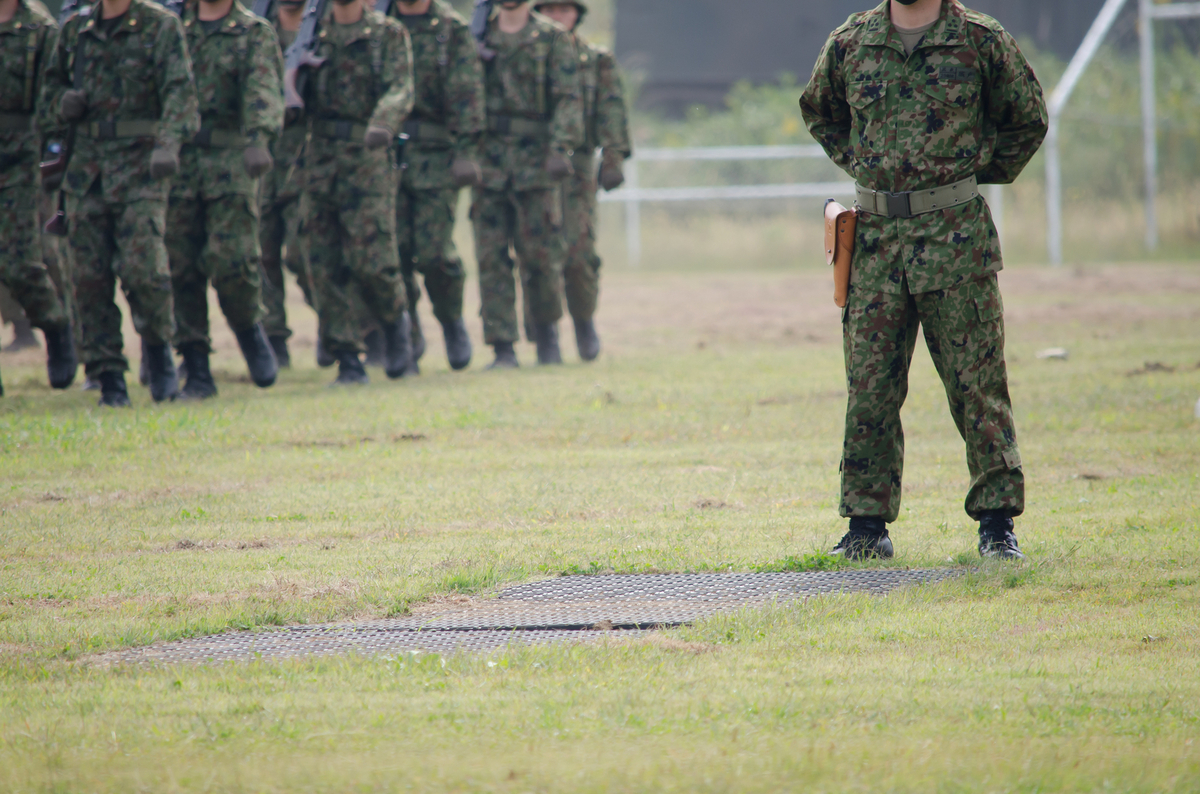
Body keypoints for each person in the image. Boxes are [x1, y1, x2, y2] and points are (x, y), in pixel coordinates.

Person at [799, 0, 1047, 560]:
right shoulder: (851, 42)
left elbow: (1027, 119)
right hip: (876, 243)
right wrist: (864, 160)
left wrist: (969, 168)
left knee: (976, 385)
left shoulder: (981, 40)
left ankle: (996, 526)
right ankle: (866, 528)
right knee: (870, 388)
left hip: (954, 239)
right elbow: (820, 111)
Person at [39, 0, 200, 406]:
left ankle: (160, 354)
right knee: (88, 279)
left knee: (144, 270)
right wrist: (62, 103)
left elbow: (181, 93)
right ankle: (107, 375)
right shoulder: (74, 31)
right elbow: (46, 97)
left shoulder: (160, 26)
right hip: (85, 172)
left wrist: (168, 144)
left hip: (140, 168)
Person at [167, 0, 283, 400]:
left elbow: (263, 89)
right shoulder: (172, 27)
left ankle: (250, 329)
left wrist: (259, 137)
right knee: (179, 266)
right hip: (177, 160)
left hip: (231, 160)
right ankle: (195, 365)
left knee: (232, 260)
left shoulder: (252, 32)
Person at [295, 0, 415, 385]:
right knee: (322, 260)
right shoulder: (312, 34)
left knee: (373, 258)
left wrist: (383, 122)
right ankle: (347, 356)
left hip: (368, 157)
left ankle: (396, 327)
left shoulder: (387, 34)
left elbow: (402, 87)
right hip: (320, 160)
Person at [472, 0, 581, 368]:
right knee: (491, 257)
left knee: (540, 256)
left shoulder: (551, 38)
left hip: (536, 162)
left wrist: (560, 147)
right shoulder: (475, 36)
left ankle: (547, 334)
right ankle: (502, 346)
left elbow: (568, 98)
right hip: (488, 162)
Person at [385, 0, 485, 373]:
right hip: (385, 157)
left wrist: (467, 151)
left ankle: (451, 321)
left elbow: (468, 94)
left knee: (433, 254)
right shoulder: (381, 23)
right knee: (394, 254)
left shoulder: (450, 30)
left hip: (436, 157)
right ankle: (406, 336)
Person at [531, 0, 628, 362]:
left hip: (579, 167)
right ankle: (545, 334)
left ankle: (584, 323)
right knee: (538, 252)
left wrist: (613, 158)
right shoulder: (528, 55)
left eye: (565, 10)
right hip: (532, 165)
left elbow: (612, 109)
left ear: (577, 14)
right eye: (550, 10)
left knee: (579, 252)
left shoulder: (596, 58)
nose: (557, 18)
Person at [0, 0, 78, 389]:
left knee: (20, 262)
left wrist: (53, 156)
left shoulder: (39, 29)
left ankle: (56, 326)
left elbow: (53, 96)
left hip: (21, 159)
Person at [258, 0, 313, 369]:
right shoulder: (258, 31)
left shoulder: (319, 28)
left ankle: (342, 323)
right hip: (261, 158)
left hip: (307, 158)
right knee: (261, 253)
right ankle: (273, 339)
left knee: (303, 251)